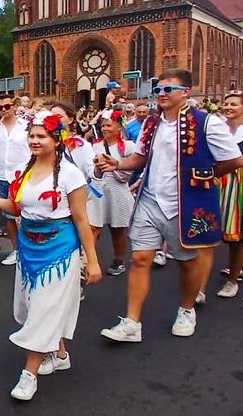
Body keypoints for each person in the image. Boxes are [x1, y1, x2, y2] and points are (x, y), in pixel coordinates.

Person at [99, 69, 243, 341]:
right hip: (151, 200)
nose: (161, 95)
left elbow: (235, 159)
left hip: (185, 203)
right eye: (158, 90)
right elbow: (140, 158)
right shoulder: (151, 124)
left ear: (185, 92)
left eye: (168, 90)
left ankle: (187, 309)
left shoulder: (206, 122)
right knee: (141, 258)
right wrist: (116, 163)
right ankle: (132, 323)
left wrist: (206, 174)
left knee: (187, 262)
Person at [0, 110, 101, 401]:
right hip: (29, 247)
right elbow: (17, 208)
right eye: (31, 135)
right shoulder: (25, 170)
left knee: (44, 309)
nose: (34, 140)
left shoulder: (70, 174)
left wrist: (91, 261)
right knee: (33, 306)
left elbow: (82, 219)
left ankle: (28, 374)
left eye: (41, 136)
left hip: (61, 249)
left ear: (57, 140)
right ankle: (60, 354)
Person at [0, 94, 31, 266]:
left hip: (23, 176)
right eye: (0, 107)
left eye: (7, 106)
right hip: (1, 176)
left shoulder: (26, 126)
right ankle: (16, 250)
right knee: (9, 216)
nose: (3, 110)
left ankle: (29, 249)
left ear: (15, 106)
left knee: (26, 214)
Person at [89, 110, 136, 276]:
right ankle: (88, 261)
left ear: (119, 127)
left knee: (117, 229)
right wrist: (97, 168)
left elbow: (131, 170)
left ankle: (119, 260)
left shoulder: (129, 146)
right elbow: (91, 172)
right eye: (103, 125)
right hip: (99, 191)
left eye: (108, 125)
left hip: (118, 190)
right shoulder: (95, 146)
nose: (104, 128)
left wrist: (115, 167)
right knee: (93, 227)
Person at [215, 91, 243, 298]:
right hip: (217, 182)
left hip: (238, 184)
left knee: (237, 237)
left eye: (234, 104)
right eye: (226, 104)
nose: (229, 107)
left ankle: (232, 280)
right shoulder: (218, 128)